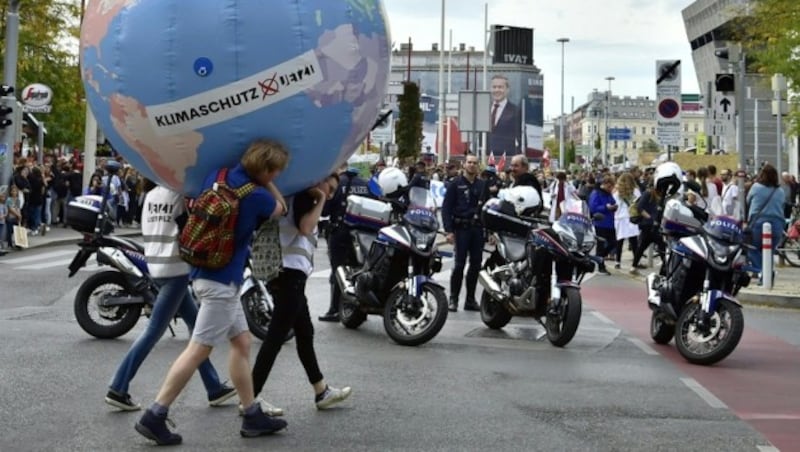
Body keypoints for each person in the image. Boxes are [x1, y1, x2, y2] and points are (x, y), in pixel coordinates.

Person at [135, 140, 289, 445]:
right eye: (276, 171)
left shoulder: (216, 177)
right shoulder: (258, 195)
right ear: (267, 170)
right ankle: (155, 414)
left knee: (242, 342)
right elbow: (281, 209)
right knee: (198, 349)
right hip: (222, 283)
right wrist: (270, 184)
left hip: (204, 272)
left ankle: (252, 413)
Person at [105, 182, 236, 412]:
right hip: (175, 270)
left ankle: (214, 387)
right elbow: (190, 231)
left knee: (197, 329)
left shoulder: (151, 195)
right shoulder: (178, 195)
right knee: (153, 332)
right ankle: (118, 386)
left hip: (156, 266)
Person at [250, 173, 352, 416]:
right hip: (289, 275)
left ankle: (321, 390)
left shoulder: (293, 193)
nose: (331, 193)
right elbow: (305, 227)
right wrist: (320, 201)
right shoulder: (305, 198)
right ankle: (250, 398)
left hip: (289, 275)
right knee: (276, 337)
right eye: (331, 187)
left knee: (305, 332)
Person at [319, 165, 370, 322]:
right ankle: (360, 309)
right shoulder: (365, 184)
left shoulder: (337, 183)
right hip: (363, 234)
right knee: (359, 269)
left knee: (338, 271)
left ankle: (334, 309)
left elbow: (325, 211)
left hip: (340, 232)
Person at [441, 154, 486, 312]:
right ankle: (453, 299)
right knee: (459, 265)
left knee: (475, 265)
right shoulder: (455, 184)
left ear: (478, 166)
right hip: (461, 229)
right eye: (469, 163)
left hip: (477, 230)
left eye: (475, 163)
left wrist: (491, 231)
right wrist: (448, 231)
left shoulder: (482, 185)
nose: (472, 165)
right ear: (464, 165)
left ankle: (470, 300)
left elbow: (487, 209)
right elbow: (446, 208)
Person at [746, 164, 785, 277]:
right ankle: (767, 274)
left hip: (758, 222)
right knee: (769, 251)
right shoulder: (780, 191)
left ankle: (762, 272)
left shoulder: (756, 187)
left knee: (752, 249)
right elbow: (782, 205)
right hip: (777, 224)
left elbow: (748, 201)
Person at [589, 175, 617, 275]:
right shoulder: (596, 193)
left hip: (610, 222)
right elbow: (593, 207)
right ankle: (601, 266)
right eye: (609, 187)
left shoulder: (608, 194)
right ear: (604, 185)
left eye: (612, 187)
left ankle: (599, 257)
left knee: (613, 243)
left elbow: (613, 202)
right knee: (601, 245)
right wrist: (605, 207)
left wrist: (614, 206)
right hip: (600, 222)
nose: (611, 189)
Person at [487, 74, 521, 156]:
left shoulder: (515, 111)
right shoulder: (484, 108)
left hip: (507, 157)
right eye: (494, 87)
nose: (497, 90)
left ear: (507, 89)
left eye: (500, 87)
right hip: (486, 156)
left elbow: (521, 138)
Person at [612, 173, 641, 270]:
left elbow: (614, 204)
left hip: (620, 218)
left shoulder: (617, 192)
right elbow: (639, 204)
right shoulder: (635, 191)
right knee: (634, 241)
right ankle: (635, 263)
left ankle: (617, 261)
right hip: (631, 217)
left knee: (619, 241)